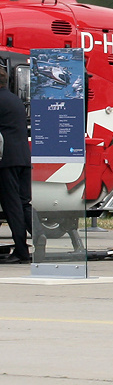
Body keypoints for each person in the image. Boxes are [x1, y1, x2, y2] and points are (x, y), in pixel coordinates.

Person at [0, 65, 32, 264]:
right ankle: (41, 237)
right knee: (24, 204)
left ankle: (21, 252)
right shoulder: (15, 100)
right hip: (23, 157)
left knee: (12, 206)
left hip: (6, 161)